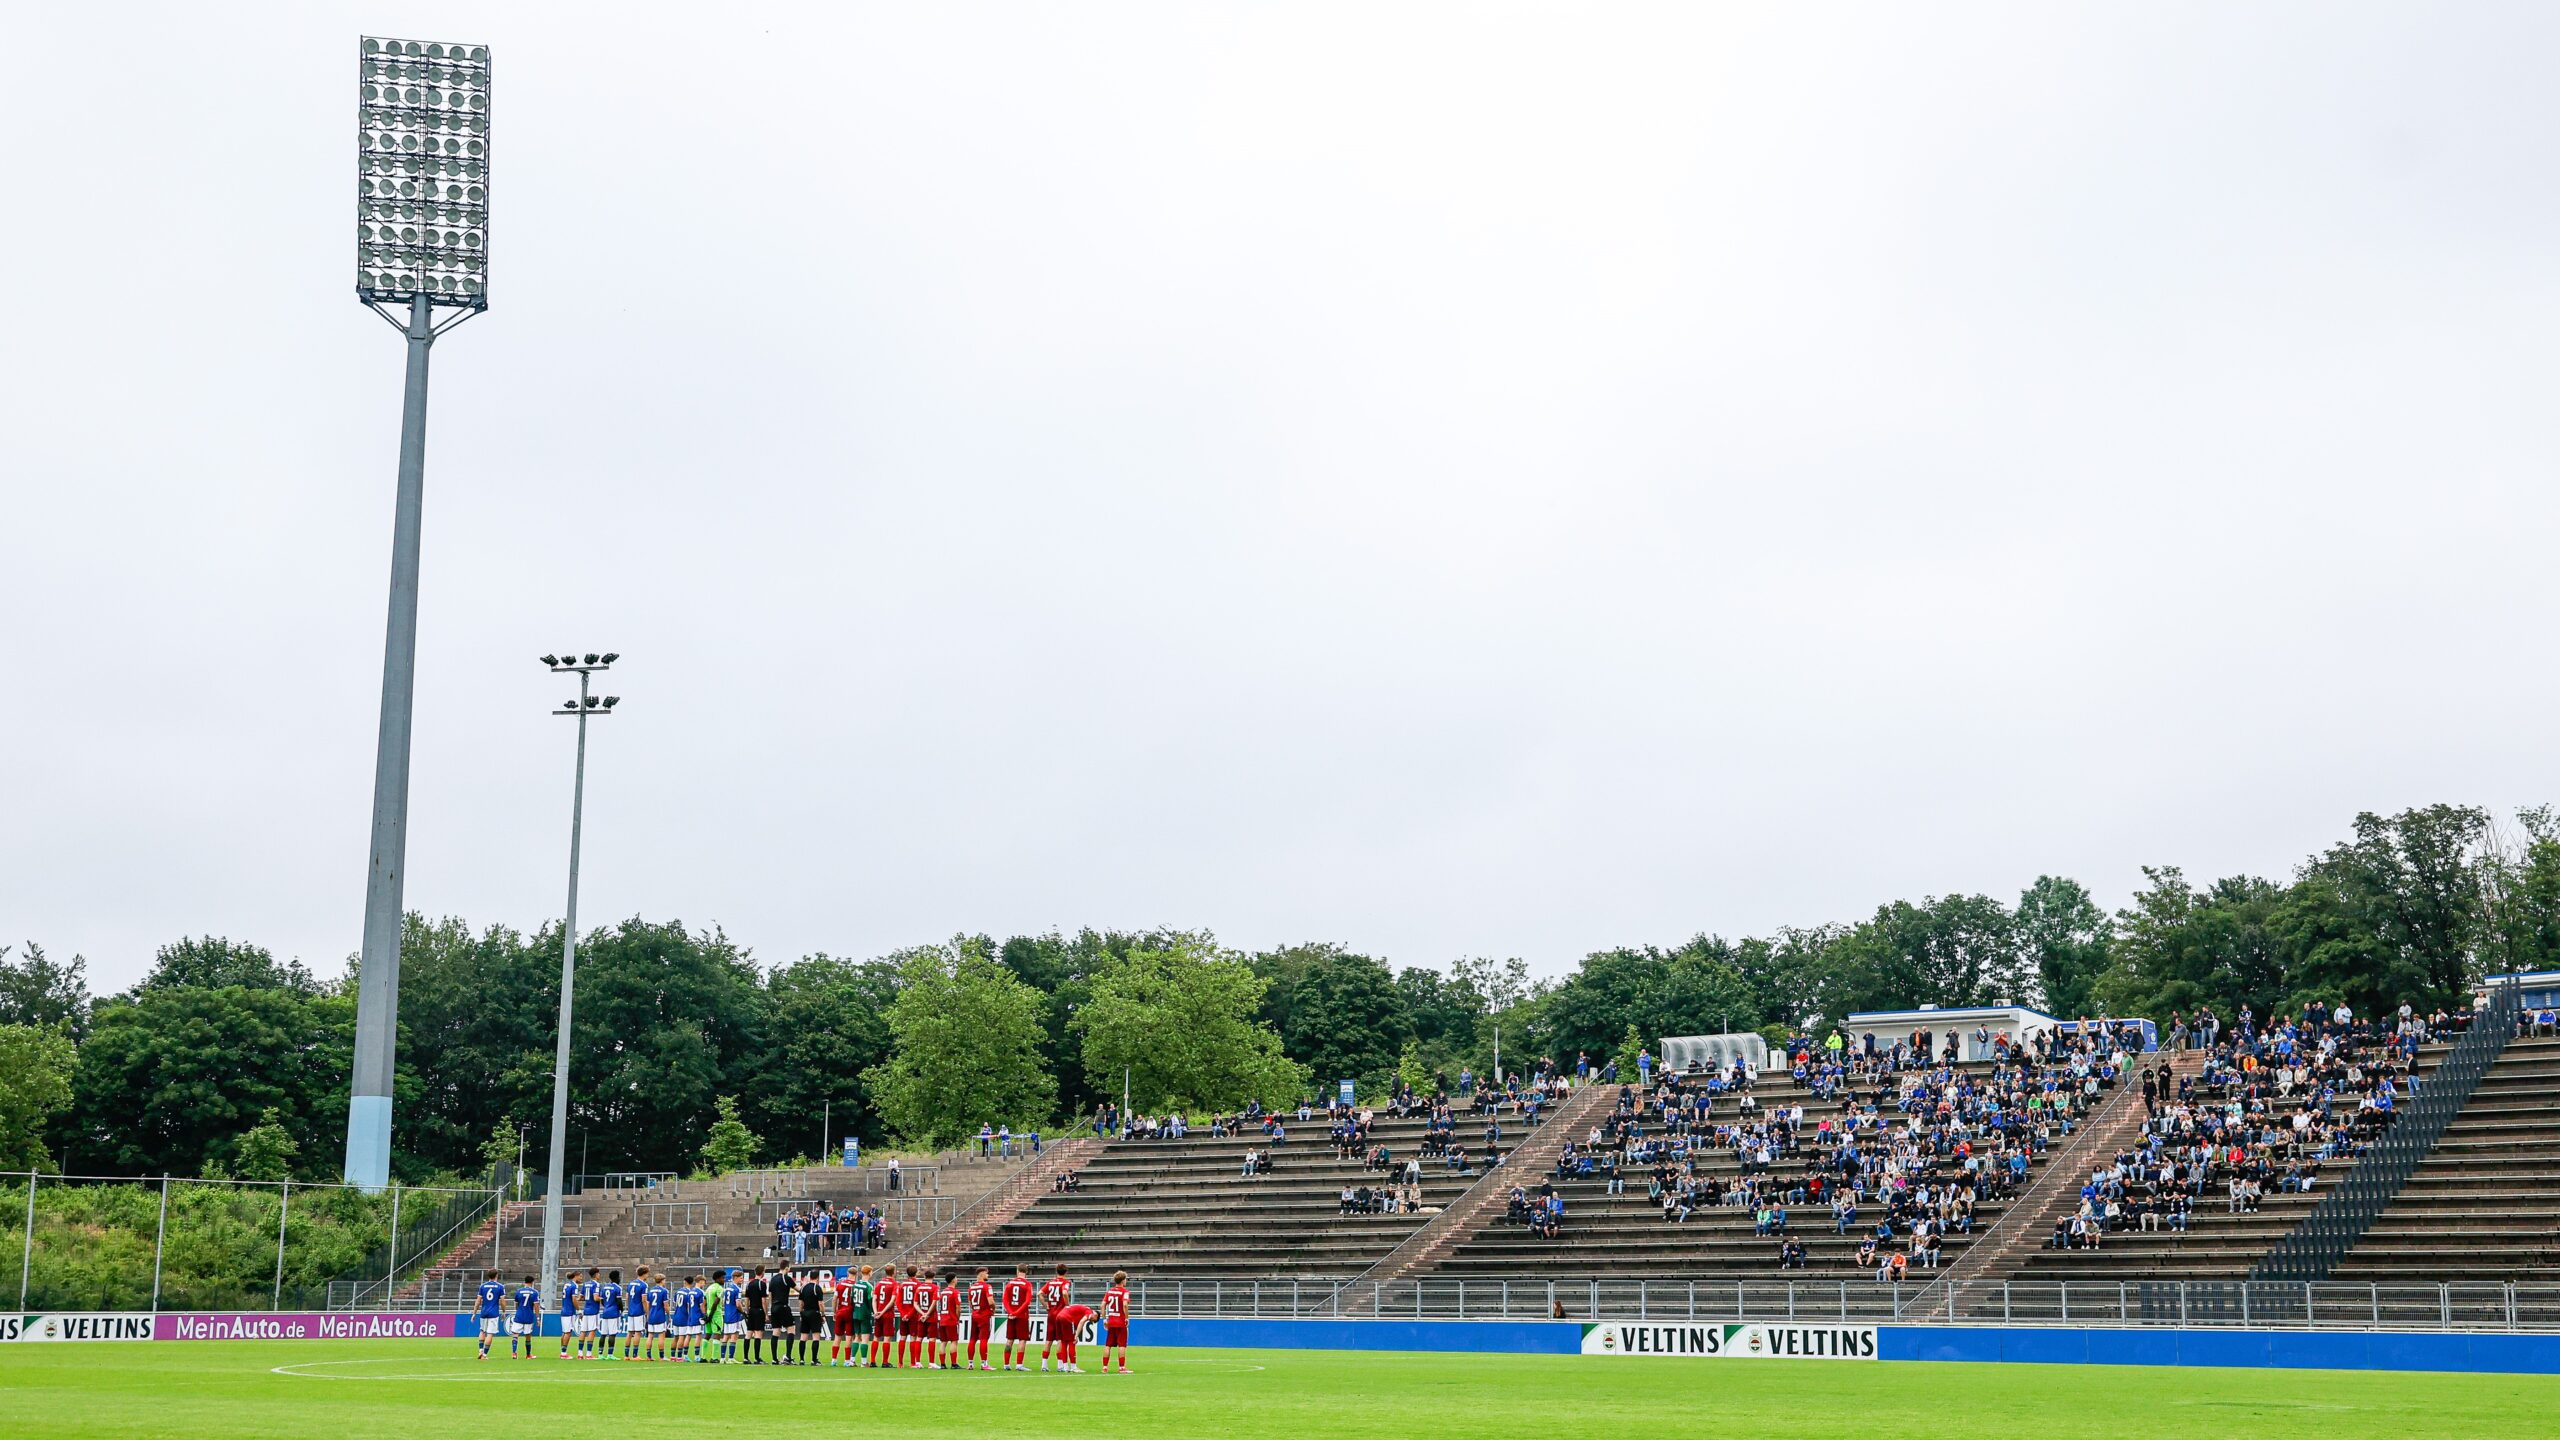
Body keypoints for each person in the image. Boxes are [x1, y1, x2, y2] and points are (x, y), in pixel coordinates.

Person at [1001, 1265, 1036, 1371]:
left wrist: (1010, 1312)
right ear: (1026, 1272)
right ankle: (1019, 1364)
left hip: (1011, 1315)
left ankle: (1006, 1364)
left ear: (1017, 1271)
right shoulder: (1027, 1284)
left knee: (1009, 1340)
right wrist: (1017, 1312)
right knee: (1022, 1339)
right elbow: (1027, 1301)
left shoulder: (1010, 1283)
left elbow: (1005, 1299)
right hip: (1022, 1315)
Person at [1099, 1269, 1132, 1373]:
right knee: (1122, 1345)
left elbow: (1103, 1305)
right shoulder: (1125, 1292)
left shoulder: (1109, 1292)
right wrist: (1126, 1317)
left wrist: (1104, 1319)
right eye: (1125, 1279)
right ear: (1122, 1281)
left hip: (1111, 1321)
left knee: (1108, 1345)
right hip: (1120, 1321)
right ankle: (1122, 1367)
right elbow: (1125, 1305)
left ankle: (1105, 1367)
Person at [1051, 1296, 1096, 1373]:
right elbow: (1082, 1321)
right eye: (1094, 1320)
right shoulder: (1090, 1312)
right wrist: (1077, 1335)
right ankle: (1073, 1367)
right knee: (1072, 1342)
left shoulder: (1082, 1308)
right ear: (1096, 1315)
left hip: (1058, 1317)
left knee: (1064, 1342)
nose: (1092, 1321)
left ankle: (1065, 1367)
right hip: (1066, 1318)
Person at [870, 1263, 900, 1369]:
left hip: (878, 1314)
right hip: (887, 1314)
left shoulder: (878, 1284)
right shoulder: (894, 1284)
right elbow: (892, 1301)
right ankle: (885, 1362)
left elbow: (874, 1299)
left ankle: (872, 1361)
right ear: (894, 1272)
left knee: (876, 1337)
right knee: (887, 1337)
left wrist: (875, 1312)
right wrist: (882, 1312)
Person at [766, 1267, 796, 1365]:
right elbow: (799, 1289)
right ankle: (788, 1357)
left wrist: (771, 1307)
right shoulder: (785, 1278)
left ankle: (774, 1359)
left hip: (774, 1307)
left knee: (776, 1331)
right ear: (786, 1268)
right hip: (783, 1306)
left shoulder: (773, 1279)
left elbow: (770, 1294)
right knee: (791, 1329)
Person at [797, 1268, 826, 1366]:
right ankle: (814, 1360)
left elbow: (800, 1303)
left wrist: (801, 1313)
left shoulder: (803, 1288)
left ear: (810, 1277)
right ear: (818, 1277)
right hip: (814, 1313)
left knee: (803, 1337)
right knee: (816, 1337)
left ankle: (801, 1359)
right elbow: (821, 1303)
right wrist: (823, 1314)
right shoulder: (817, 1288)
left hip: (805, 1313)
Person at [474, 1275, 507, 1360]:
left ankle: (480, 1350)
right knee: (490, 1333)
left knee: (482, 1331)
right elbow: (502, 1301)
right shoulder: (500, 1286)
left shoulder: (483, 1286)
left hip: (484, 1312)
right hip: (493, 1313)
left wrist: (474, 1313)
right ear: (496, 1276)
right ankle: (484, 1355)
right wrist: (503, 1311)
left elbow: (478, 1301)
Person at [510, 1274, 542, 1359]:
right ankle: (528, 1355)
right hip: (529, 1316)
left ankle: (514, 1353)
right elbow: (536, 1306)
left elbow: (516, 1304)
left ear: (524, 1282)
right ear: (532, 1282)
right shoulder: (534, 1292)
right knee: (528, 1335)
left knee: (515, 1334)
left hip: (519, 1315)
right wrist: (538, 1318)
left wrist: (518, 1311)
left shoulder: (518, 1291)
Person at [644, 1271, 672, 1360]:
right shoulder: (664, 1291)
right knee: (661, 1336)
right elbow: (666, 1305)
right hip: (660, 1316)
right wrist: (669, 1315)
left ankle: (648, 1356)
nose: (665, 1282)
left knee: (650, 1336)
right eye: (664, 1280)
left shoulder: (650, 1291)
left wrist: (648, 1314)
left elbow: (648, 1304)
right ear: (662, 1280)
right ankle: (662, 1356)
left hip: (651, 1316)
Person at [741, 1266, 767, 1363]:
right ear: (762, 1272)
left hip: (751, 1310)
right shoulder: (762, 1284)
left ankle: (745, 1358)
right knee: (758, 1334)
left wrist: (747, 1311)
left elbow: (746, 1299)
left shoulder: (749, 1284)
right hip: (759, 1310)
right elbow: (763, 1300)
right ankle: (757, 1358)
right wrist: (766, 1313)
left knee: (748, 1333)